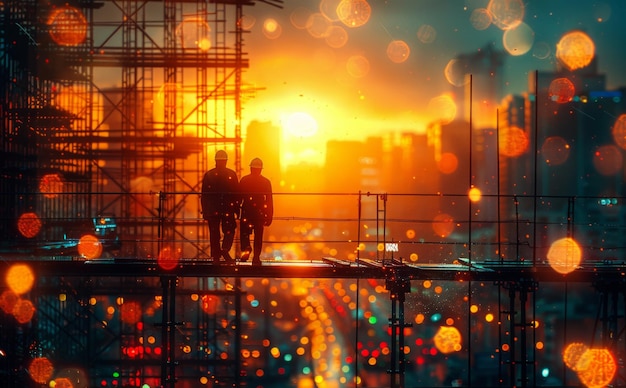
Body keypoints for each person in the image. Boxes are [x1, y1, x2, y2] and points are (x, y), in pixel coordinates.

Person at [201, 150, 239, 264]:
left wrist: (205, 211)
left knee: (214, 234)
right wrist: (237, 209)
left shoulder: (209, 175)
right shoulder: (231, 174)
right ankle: (225, 250)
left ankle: (216, 257)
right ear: (226, 161)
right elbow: (236, 194)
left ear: (216, 161)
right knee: (229, 230)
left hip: (213, 210)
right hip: (228, 208)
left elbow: (204, 195)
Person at [239, 157, 273, 265]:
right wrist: (269, 215)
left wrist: (236, 210)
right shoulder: (266, 182)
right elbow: (269, 200)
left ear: (251, 168)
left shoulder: (244, 180)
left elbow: (239, 198)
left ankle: (246, 250)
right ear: (260, 169)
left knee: (244, 233)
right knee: (258, 236)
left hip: (247, 211)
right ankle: (256, 258)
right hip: (260, 213)